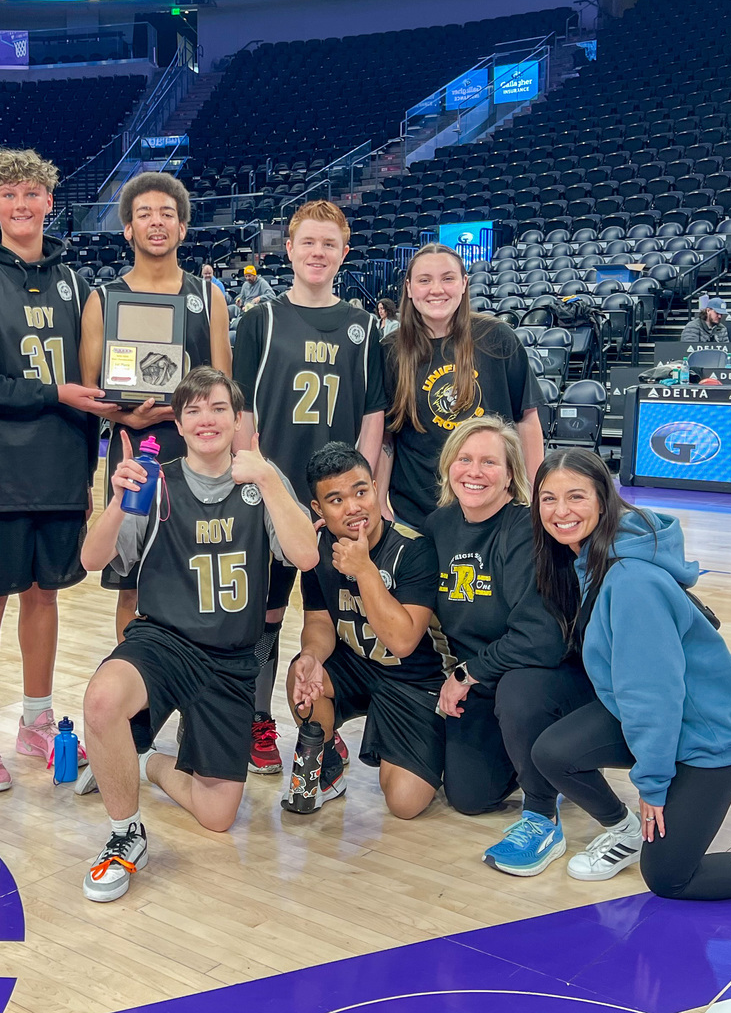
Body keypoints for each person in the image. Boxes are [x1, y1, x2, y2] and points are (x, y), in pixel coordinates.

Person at [77, 367, 318, 903]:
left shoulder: (260, 484)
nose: (206, 418)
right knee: (101, 700)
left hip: (232, 658)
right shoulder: (156, 481)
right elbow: (93, 560)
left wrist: (271, 478)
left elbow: (305, 555)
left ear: (237, 421)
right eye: (193, 410)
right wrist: (116, 497)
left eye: (217, 408)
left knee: (217, 816)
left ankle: (144, 760)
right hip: (164, 641)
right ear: (179, 426)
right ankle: (125, 834)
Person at [0, 148, 115, 794]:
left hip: (62, 463)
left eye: (33, 194)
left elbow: (94, 372)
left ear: (50, 203)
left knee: (44, 596)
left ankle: (36, 719)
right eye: (9, 194)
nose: (21, 204)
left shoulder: (75, 281)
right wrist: (53, 394)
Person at [530, 448, 731, 898]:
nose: (561, 511)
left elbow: (654, 695)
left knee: (668, 876)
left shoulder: (630, 582)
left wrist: (653, 784)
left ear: (604, 502)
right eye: (548, 499)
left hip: (713, 737)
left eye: (575, 496)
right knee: (554, 752)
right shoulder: (594, 557)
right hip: (679, 720)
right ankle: (625, 831)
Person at [233, 199, 386, 773]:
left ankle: (326, 722)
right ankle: (257, 720)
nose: (318, 253)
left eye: (329, 244)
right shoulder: (262, 319)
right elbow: (242, 408)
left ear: (343, 253)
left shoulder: (363, 326)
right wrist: (253, 477)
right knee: (266, 617)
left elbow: (372, 415)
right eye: (308, 243)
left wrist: (359, 497)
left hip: (335, 503)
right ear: (289, 249)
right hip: (276, 498)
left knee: (336, 615)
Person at [422, 416, 595, 876]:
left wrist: (465, 674)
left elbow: (540, 639)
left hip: (542, 675)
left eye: (489, 462)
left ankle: (542, 808)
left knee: (519, 692)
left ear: (511, 474)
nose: (474, 472)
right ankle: (537, 756)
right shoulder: (437, 526)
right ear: (448, 466)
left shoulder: (524, 529)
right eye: (465, 459)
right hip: (480, 679)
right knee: (469, 796)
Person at [79, 171, 231, 641]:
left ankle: (197, 704)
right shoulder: (103, 300)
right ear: (127, 228)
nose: (157, 222)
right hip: (135, 454)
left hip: (201, 458)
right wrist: (128, 416)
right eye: (144, 213)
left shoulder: (209, 297)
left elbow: (225, 389)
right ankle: (140, 704)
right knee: (133, 585)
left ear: (183, 228)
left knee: (198, 576)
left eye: (167, 213)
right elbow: (90, 392)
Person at [288, 442, 444, 818]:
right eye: (336, 499)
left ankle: (435, 745)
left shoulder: (415, 549)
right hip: (358, 665)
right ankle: (328, 761)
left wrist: (364, 570)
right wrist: (311, 654)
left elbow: (404, 641)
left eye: (360, 491)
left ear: (376, 488)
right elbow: (321, 622)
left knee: (405, 805)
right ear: (318, 509)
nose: (353, 507)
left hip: (414, 680)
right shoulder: (317, 549)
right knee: (302, 674)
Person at [379, 243, 543, 532]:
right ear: (408, 288)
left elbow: (526, 419)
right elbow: (386, 440)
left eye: (448, 278)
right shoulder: (390, 351)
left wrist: (534, 494)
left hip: (496, 513)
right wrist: (379, 502)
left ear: (464, 284)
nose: (436, 289)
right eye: (424, 280)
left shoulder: (498, 338)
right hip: (417, 517)